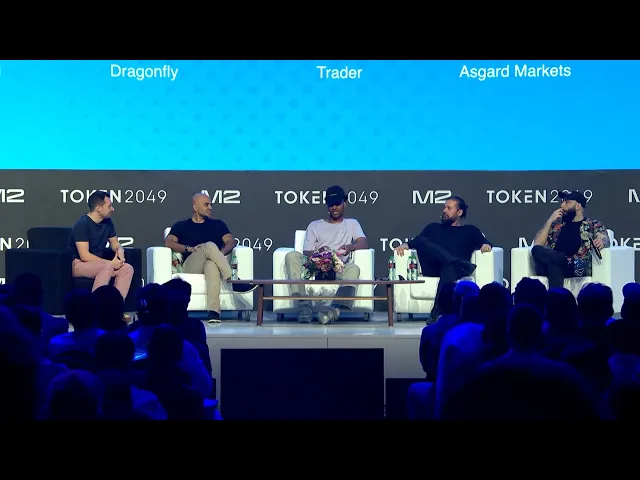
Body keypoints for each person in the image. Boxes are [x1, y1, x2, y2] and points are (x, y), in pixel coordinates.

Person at [395, 195, 492, 320]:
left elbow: (485, 242)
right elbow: (417, 242)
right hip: (434, 267)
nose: (444, 211)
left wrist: (486, 245)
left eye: (449, 208)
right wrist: (406, 245)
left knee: (449, 267)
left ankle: (436, 312)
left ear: (459, 212)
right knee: (421, 240)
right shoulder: (433, 228)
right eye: (444, 208)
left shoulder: (470, 230)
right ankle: (456, 262)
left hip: (455, 271)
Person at [164, 193, 256, 323]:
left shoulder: (217, 224)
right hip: (191, 265)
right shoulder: (181, 225)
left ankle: (213, 312)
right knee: (210, 246)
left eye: (211, 205)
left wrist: (221, 253)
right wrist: (188, 248)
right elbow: (168, 242)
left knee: (211, 265)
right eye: (206, 205)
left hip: (210, 263)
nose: (210, 208)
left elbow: (231, 241)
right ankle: (233, 281)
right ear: (195, 207)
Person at [284, 185, 368, 324]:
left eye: (337, 204)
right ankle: (304, 307)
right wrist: (320, 254)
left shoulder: (352, 224)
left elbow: (363, 242)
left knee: (353, 269)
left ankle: (333, 310)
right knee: (292, 256)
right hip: (316, 266)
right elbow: (307, 252)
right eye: (331, 204)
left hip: (338, 267)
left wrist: (350, 247)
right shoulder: (315, 225)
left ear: (344, 203)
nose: (334, 208)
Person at [532, 190, 609, 289]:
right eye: (562, 202)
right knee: (537, 250)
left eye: (567, 202)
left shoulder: (592, 224)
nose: (562, 206)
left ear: (578, 206)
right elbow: (537, 244)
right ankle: (565, 261)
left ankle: (555, 297)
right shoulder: (557, 225)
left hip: (576, 267)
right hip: (561, 263)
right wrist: (550, 221)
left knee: (554, 266)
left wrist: (601, 241)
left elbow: (604, 238)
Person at [67, 191, 134, 301]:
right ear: (98, 208)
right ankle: (96, 307)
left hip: (97, 264)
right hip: (77, 264)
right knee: (106, 267)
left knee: (127, 269)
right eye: (109, 206)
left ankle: (116, 305)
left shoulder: (108, 222)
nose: (113, 209)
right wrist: (111, 263)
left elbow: (115, 243)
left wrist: (120, 251)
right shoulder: (82, 225)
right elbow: (85, 256)